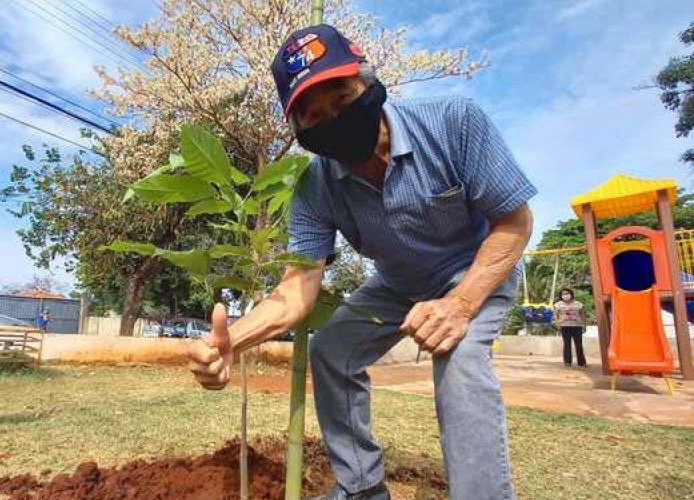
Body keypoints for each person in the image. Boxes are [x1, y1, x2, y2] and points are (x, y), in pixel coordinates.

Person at [188, 24, 536, 500]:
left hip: (475, 269)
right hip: (398, 284)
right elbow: (297, 288)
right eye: (314, 116)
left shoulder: (454, 122)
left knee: (457, 357)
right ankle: (362, 487)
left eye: (343, 97)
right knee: (331, 350)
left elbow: (514, 223)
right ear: (299, 132)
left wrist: (459, 305)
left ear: (368, 83)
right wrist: (234, 342)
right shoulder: (314, 186)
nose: (334, 118)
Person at [554, 288, 586, 367]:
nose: (565, 295)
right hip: (565, 326)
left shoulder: (578, 303)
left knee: (579, 344)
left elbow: (582, 314)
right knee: (567, 344)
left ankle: (581, 362)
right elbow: (556, 315)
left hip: (577, 326)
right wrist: (557, 323)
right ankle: (567, 362)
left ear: (571, 294)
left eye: (567, 293)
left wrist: (584, 324)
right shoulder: (558, 304)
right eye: (563, 294)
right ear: (561, 296)